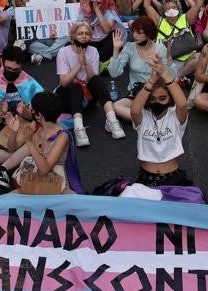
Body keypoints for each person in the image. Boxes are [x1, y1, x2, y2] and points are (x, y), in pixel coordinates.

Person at [0, 45, 45, 189]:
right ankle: (27, 156)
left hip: (25, 124)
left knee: (38, 134)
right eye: (8, 69)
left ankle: (6, 167)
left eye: (16, 70)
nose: (12, 73)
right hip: (2, 125)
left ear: (21, 67)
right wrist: (2, 112)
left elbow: (39, 115)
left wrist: (25, 113)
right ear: (2, 62)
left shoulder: (29, 82)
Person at [128, 59, 191, 187]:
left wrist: (164, 73)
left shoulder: (175, 116)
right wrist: (151, 81)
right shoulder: (143, 116)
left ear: (170, 98)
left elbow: (183, 105)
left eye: (162, 98)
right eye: (152, 99)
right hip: (146, 178)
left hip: (174, 178)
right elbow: (134, 110)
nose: (157, 102)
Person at [55, 21, 119, 146]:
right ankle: (79, 128)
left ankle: (112, 120)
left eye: (87, 34)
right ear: (73, 36)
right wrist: (79, 64)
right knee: (75, 86)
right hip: (68, 95)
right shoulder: (63, 52)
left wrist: (85, 63)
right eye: (80, 34)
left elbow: (92, 78)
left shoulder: (93, 51)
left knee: (97, 80)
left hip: (87, 96)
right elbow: (64, 82)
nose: (84, 36)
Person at [8, 91, 83, 194]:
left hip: (55, 185)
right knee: (7, 199)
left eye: (32, 108)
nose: (30, 110)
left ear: (39, 115)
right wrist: (13, 132)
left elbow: (45, 169)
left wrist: (29, 143)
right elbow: (11, 148)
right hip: (33, 180)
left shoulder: (62, 136)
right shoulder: (34, 127)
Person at [109, 15, 169, 123]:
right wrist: (116, 49)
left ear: (149, 33)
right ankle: (148, 120)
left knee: (164, 104)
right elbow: (114, 73)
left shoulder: (159, 48)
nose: (135, 35)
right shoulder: (130, 47)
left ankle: (142, 117)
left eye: (139, 32)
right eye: (133, 31)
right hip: (136, 92)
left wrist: (162, 64)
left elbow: (169, 75)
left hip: (155, 92)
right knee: (117, 106)